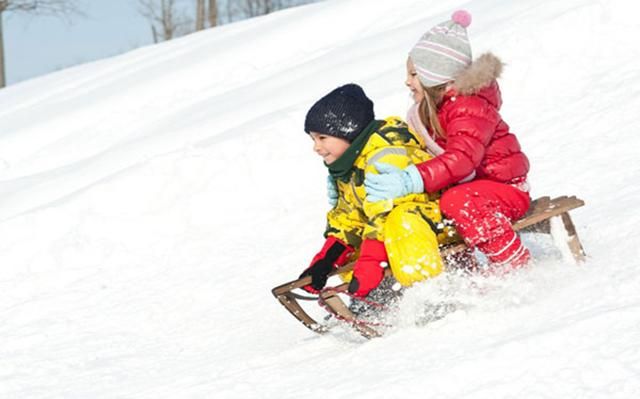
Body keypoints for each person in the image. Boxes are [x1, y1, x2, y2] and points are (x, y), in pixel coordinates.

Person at [364, 10, 531, 271]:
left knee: (455, 202)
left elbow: (462, 159)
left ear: (435, 75)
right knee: (434, 207)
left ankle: (515, 264)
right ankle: (464, 275)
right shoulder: (432, 111)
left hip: (505, 190)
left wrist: (411, 179)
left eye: (414, 74)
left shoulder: (468, 106)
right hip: (477, 190)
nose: (407, 82)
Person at [299, 83, 449, 298]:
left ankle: (427, 293)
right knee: (355, 247)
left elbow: (385, 214)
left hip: (436, 223)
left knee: (400, 220)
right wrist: (324, 262)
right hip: (394, 232)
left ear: (348, 131)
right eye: (313, 139)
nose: (316, 147)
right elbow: (348, 221)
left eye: (322, 138)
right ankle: (372, 297)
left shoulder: (385, 157)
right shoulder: (347, 167)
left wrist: (371, 263)